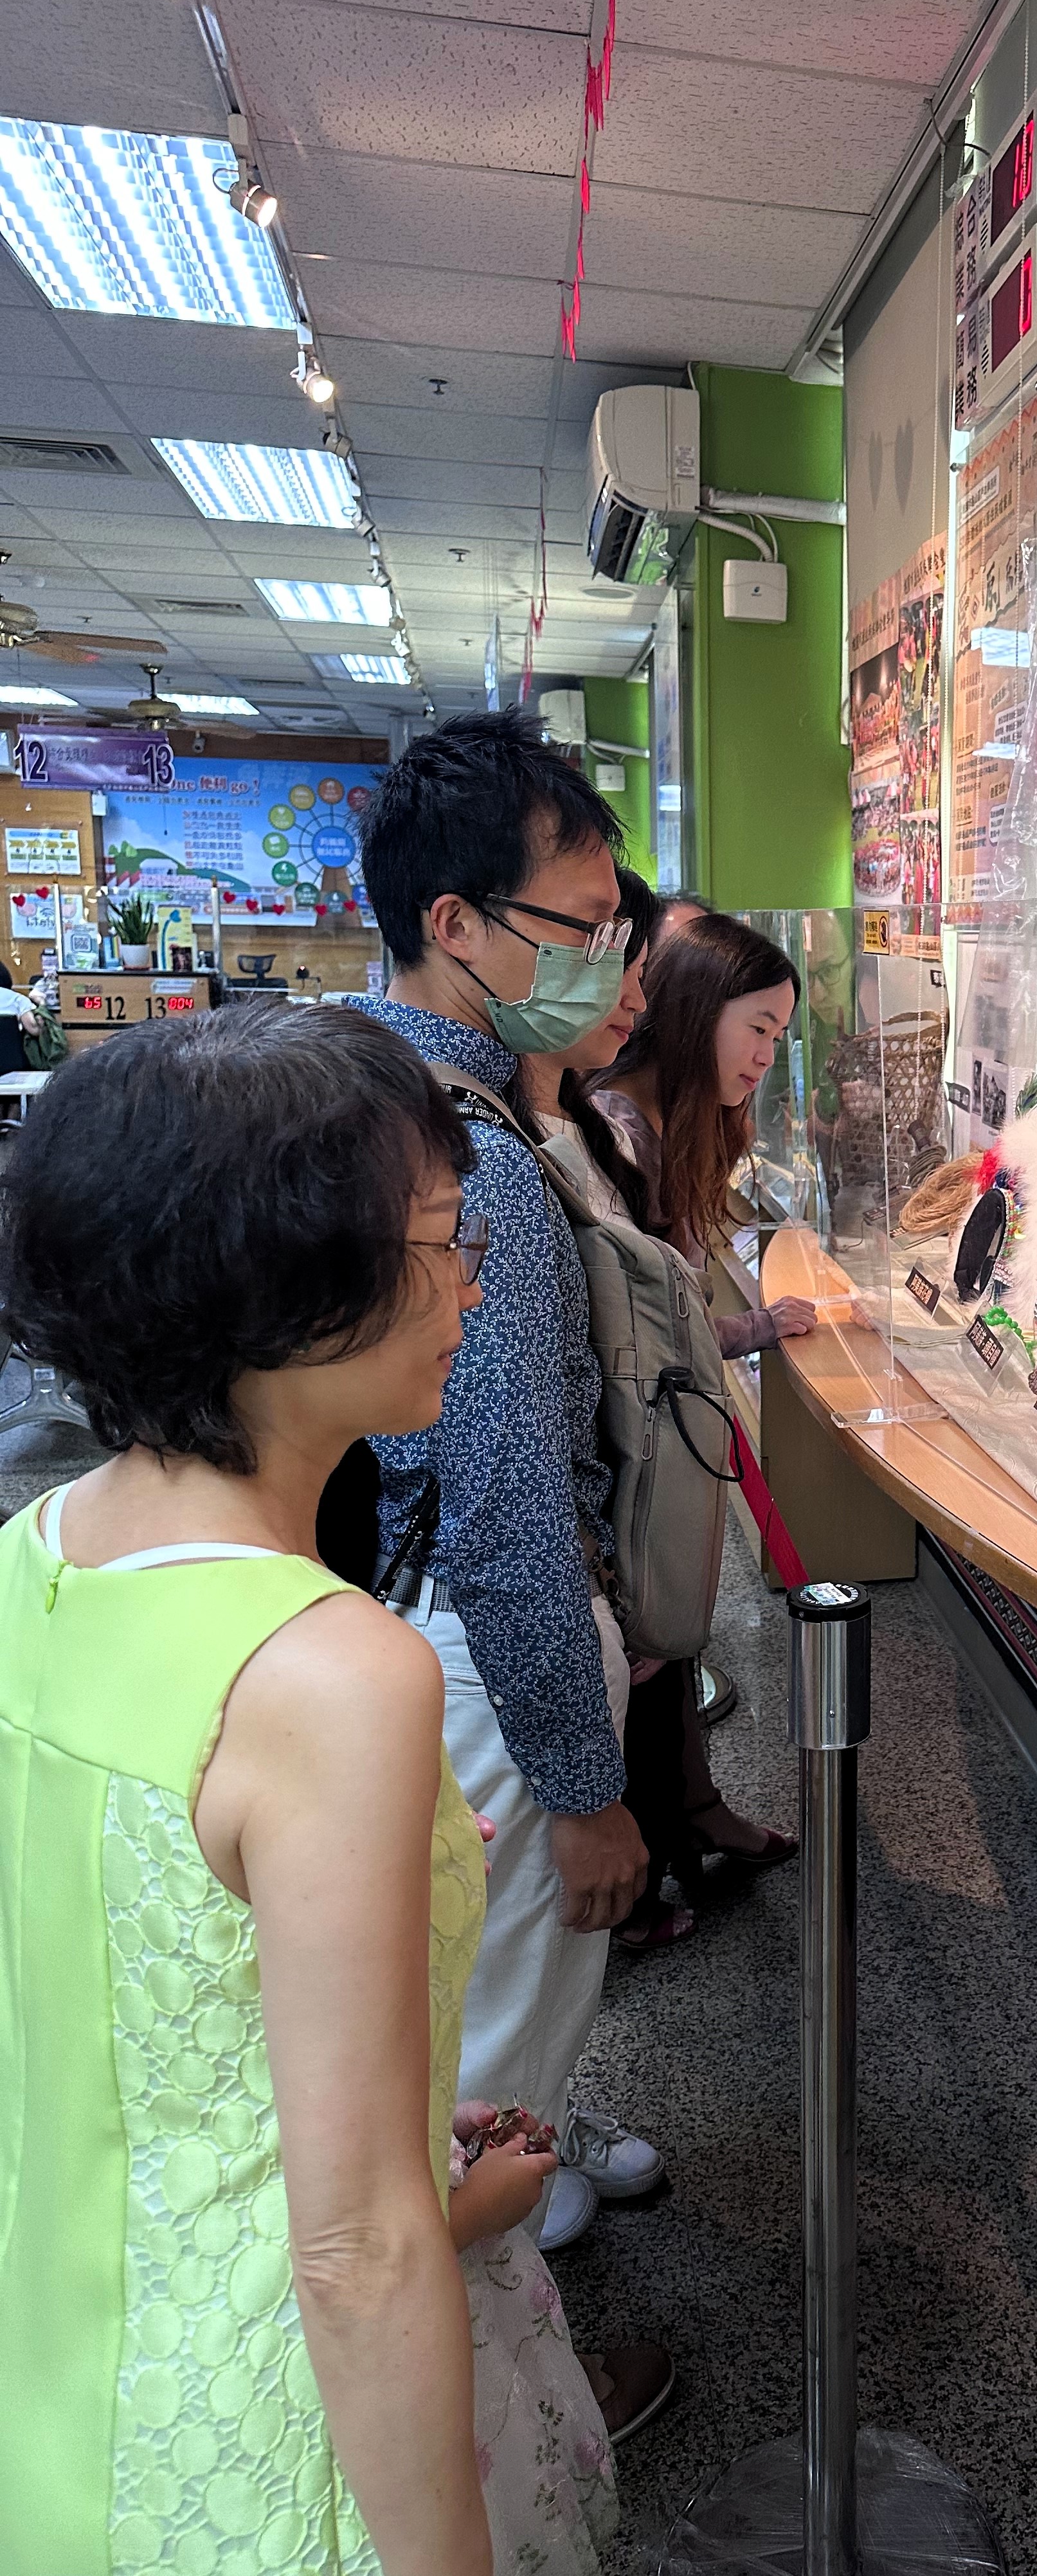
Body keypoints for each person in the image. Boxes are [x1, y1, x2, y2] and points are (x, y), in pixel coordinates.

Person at [0, 1003, 498, 2572]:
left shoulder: (33, 1557)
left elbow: (123, 1994)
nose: (474, 1283)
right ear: (282, 1284)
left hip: (62, 2396)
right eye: (442, 1240)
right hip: (259, 2443)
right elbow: (357, 2250)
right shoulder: (333, 1674)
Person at [352, 710, 662, 2260]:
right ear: (455, 924)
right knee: (486, 2044)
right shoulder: (466, 1161)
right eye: (581, 927)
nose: (610, 965)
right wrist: (587, 1794)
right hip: (480, 1650)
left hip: (385, 1614)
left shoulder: (352, 1083)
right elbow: (505, 1510)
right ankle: (502, 2354)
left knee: (437, 2002)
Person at [592, 913, 816, 1935]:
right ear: (693, 1009)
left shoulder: (663, 1124)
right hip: (624, 1452)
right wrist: (752, 1330)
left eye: (778, 1037)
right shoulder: (618, 1129)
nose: (766, 1057)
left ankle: (693, 1814)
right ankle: (640, 1872)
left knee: (667, 1649)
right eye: (756, 1028)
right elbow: (641, 1335)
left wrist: (752, 1329)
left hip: (654, 1440)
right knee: (644, 1651)